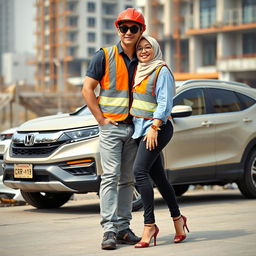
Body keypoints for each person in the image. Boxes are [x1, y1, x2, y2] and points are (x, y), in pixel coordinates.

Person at [82, 8, 146, 250]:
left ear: (142, 30)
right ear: (117, 29)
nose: (128, 32)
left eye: (133, 28)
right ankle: (109, 229)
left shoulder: (145, 57)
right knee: (110, 177)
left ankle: (123, 228)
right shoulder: (104, 56)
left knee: (127, 180)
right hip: (111, 128)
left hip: (135, 129)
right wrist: (101, 119)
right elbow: (87, 89)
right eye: (124, 28)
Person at [130, 35, 190, 248]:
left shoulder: (161, 70)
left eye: (148, 47)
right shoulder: (137, 70)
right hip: (140, 130)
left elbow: (165, 103)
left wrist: (154, 127)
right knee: (159, 177)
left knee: (139, 172)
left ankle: (149, 225)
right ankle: (178, 220)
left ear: (155, 49)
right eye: (140, 48)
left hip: (158, 129)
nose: (144, 51)